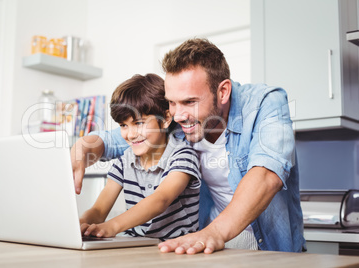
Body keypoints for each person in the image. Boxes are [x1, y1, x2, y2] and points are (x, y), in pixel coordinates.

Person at [71, 38, 306, 254]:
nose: (178, 115)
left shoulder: (266, 103)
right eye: (172, 103)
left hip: (260, 242)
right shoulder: (178, 119)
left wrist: (215, 232)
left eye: (189, 102)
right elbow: (120, 136)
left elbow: (266, 176)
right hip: (205, 238)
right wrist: (83, 147)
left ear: (222, 91)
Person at [76, 73, 201, 240]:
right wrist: (81, 224)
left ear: (165, 119)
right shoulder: (124, 161)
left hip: (178, 247)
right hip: (135, 244)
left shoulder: (183, 156)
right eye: (123, 125)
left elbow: (160, 200)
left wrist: (112, 226)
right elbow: (99, 210)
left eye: (139, 123)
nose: (131, 134)